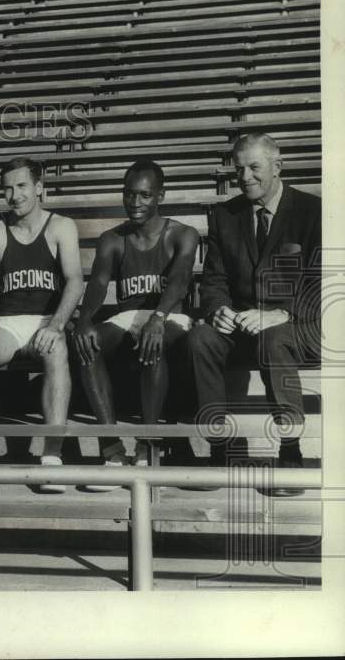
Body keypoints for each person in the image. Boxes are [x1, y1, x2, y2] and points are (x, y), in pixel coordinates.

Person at [186, 133, 321, 496]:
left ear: (278, 167)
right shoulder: (225, 215)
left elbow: (325, 283)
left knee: (273, 338)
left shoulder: (315, 212)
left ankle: (290, 450)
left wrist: (281, 313)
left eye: (254, 167)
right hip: (244, 325)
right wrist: (218, 310)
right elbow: (213, 280)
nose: (245, 176)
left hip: (301, 327)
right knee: (200, 338)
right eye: (239, 169)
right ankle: (220, 446)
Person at [0, 157, 84, 493]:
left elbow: (74, 281)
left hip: (46, 322)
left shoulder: (61, 226)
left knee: (56, 348)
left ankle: (52, 458)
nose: (14, 195)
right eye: (8, 188)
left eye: (22, 186)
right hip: (9, 325)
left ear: (39, 187)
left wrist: (56, 325)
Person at [71, 160, 198, 491]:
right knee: (88, 343)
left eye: (144, 195)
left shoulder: (182, 233)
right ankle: (111, 450)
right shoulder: (112, 238)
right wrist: (84, 321)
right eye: (129, 194)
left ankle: (148, 446)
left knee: (151, 341)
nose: (136, 202)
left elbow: (181, 279)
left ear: (160, 196)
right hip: (129, 316)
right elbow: (98, 283)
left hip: (169, 314)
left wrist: (158, 317)